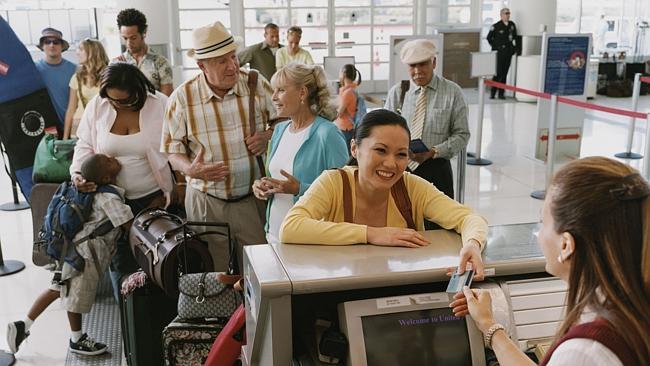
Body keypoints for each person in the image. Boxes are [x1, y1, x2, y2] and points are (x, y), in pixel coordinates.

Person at [451, 157, 650, 366]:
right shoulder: (632, 310)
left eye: (542, 222)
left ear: (566, 245)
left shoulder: (587, 350)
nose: (538, 235)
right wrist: (489, 325)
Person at [281, 109, 487, 278]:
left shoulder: (411, 186)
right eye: (380, 150)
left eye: (401, 155)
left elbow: (469, 218)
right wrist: (372, 234)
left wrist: (473, 244)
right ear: (355, 149)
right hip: (340, 291)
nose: (391, 164)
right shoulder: (334, 182)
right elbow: (290, 227)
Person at [162, 21, 276, 271]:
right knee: (214, 274)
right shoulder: (182, 98)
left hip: (252, 199)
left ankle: (254, 312)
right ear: (201, 65)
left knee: (262, 271)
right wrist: (190, 170)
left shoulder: (256, 84)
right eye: (221, 61)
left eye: (233, 57)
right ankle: (224, 312)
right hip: (206, 203)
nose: (233, 66)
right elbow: (172, 149)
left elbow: (286, 122)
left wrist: (267, 135)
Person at [6, 154, 133, 356]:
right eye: (108, 161)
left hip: (72, 248)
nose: (112, 157)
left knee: (58, 288)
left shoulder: (96, 191)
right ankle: (77, 340)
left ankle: (22, 325)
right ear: (107, 178)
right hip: (86, 255)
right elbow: (128, 224)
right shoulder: (109, 198)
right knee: (74, 296)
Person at [71, 62, 174, 299]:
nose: (117, 104)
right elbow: (84, 144)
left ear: (138, 91)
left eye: (125, 101)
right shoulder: (99, 105)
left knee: (159, 263)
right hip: (112, 204)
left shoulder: (159, 104)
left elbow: (177, 146)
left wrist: (177, 187)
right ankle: (130, 324)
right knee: (121, 265)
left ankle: (160, 322)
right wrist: (77, 173)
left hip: (154, 200)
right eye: (113, 100)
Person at [253, 62, 348, 245]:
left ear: (302, 93)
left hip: (310, 241)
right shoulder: (279, 130)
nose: (273, 97)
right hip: (274, 234)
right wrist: (262, 186)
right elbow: (275, 180)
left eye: (280, 90)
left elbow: (345, 191)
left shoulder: (327, 134)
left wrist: (299, 189)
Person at [384, 39, 469, 208]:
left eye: (423, 64)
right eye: (412, 66)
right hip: (402, 169)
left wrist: (432, 152)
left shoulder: (452, 92)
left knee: (439, 223)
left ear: (434, 62)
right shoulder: (399, 92)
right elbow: (384, 130)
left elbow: (462, 134)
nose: (417, 71)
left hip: (437, 170)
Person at [115, 8, 173, 96]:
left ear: (144, 32)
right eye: (125, 38)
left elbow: (167, 101)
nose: (128, 43)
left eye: (133, 38)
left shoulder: (161, 63)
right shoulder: (116, 63)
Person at [63, 38, 109, 139]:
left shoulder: (108, 76)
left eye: (80, 49)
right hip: (79, 125)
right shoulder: (77, 77)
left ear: (92, 52)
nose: (77, 53)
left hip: (101, 126)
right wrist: (65, 138)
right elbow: (71, 109)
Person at [34, 27, 77, 129]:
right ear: (42, 46)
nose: (52, 45)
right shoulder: (34, 70)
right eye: (47, 42)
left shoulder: (75, 69)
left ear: (62, 46)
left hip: (71, 127)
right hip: (46, 129)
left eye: (56, 42)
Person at [487, 8, 519, 100]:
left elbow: (515, 37)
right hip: (499, 53)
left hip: (508, 53)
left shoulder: (512, 25)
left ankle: (501, 93)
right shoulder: (496, 26)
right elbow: (489, 38)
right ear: (501, 15)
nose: (508, 15)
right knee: (497, 73)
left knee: (504, 73)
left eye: (509, 13)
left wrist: (516, 49)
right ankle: (493, 93)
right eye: (506, 13)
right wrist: (496, 47)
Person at [334, 64, 363, 151]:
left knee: (345, 155)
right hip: (347, 127)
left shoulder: (347, 93)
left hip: (345, 128)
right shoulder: (350, 90)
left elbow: (339, 113)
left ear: (343, 74)